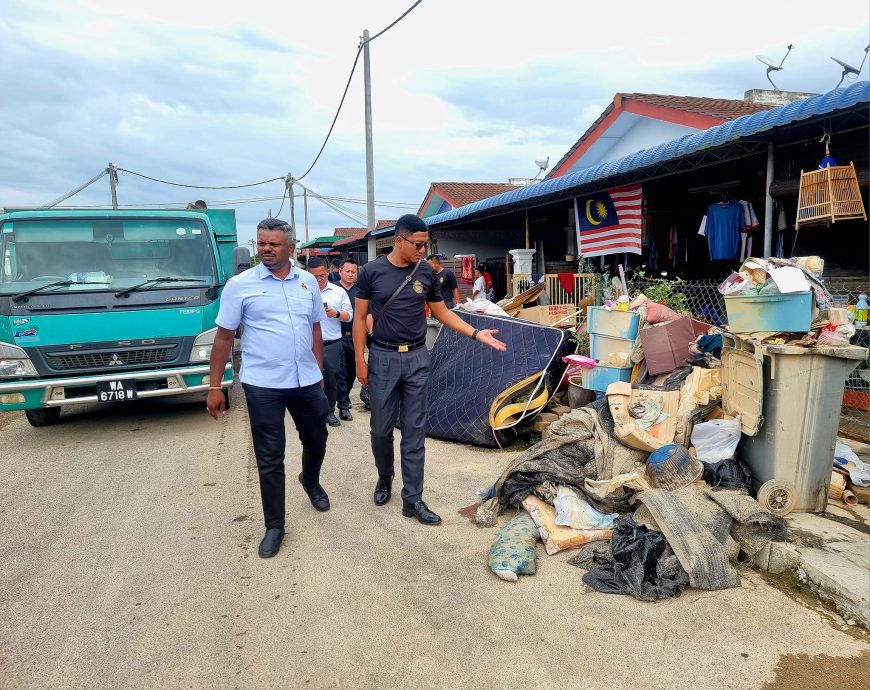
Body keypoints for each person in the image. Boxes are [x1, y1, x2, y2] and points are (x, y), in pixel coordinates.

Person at [354, 214, 507, 525]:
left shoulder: (425, 272)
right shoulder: (371, 272)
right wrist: (360, 358)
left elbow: (442, 313)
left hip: (417, 360)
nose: (423, 251)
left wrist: (477, 333)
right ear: (399, 240)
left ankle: (412, 498)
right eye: (418, 244)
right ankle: (385, 477)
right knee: (381, 431)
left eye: (426, 245)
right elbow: (359, 319)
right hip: (382, 358)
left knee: (414, 433)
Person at [206, 218, 330, 559]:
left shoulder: (307, 282)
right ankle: (274, 525)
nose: (266, 249)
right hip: (263, 385)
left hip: (305, 381)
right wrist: (215, 385)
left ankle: (311, 480)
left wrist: (318, 371)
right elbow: (224, 337)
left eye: (273, 244)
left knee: (317, 439)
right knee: (270, 457)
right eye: (262, 243)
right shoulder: (240, 285)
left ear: (291, 247)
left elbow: (316, 328)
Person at [307, 257, 353, 427]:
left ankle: (330, 412)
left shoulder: (338, 291)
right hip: (309, 345)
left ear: (328, 272)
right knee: (311, 380)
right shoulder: (302, 291)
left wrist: (336, 314)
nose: (319, 280)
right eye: (314, 277)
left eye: (322, 276)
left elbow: (350, 315)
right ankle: (313, 411)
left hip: (332, 343)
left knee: (333, 379)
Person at [335, 259, 359, 421]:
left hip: (355, 337)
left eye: (353, 272)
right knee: (339, 373)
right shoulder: (333, 289)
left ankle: (345, 396)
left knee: (352, 372)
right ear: (340, 272)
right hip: (336, 337)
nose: (351, 275)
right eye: (348, 271)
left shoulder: (361, 291)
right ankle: (342, 405)